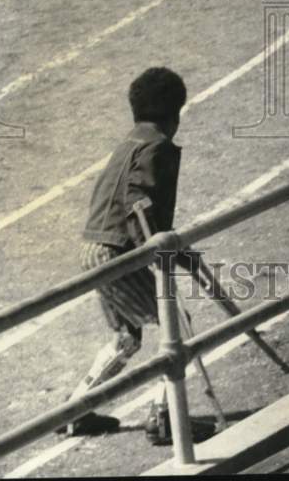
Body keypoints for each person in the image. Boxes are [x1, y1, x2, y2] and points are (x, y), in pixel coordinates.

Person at [64, 67, 188, 440]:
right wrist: (160, 250)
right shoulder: (157, 147)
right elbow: (139, 204)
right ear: (174, 115)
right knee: (177, 329)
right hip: (118, 251)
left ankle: (74, 410)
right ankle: (164, 417)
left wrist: (171, 247)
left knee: (127, 338)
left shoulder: (127, 145)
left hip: (94, 248)